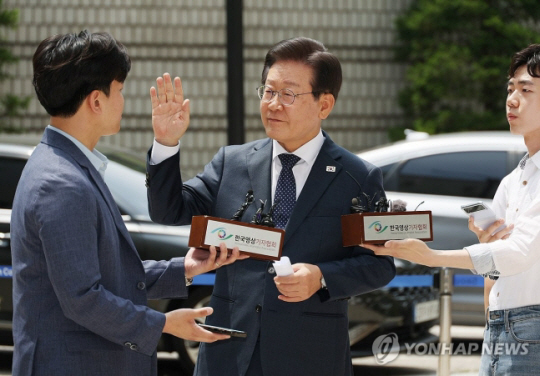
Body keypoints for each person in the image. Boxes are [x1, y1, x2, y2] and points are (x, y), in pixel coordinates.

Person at [146, 37, 396, 376]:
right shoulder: (232, 162)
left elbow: (379, 265)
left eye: (288, 94)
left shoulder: (357, 177)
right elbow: (169, 211)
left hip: (311, 356)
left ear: (325, 105)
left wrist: (322, 276)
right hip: (228, 351)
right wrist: (165, 142)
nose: (274, 104)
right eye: (268, 91)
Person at [10, 30, 246, 376]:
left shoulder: (64, 165)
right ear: (96, 100)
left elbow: (109, 276)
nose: (123, 100)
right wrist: (163, 323)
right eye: (119, 90)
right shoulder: (62, 182)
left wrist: (184, 268)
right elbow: (83, 298)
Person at [363, 44, 540, 375]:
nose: (512, 99)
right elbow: (499, 266)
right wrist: (488, 249)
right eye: (510, 88)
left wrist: (431, 257)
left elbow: (519, 253)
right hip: (504, 323)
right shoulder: (514, 179)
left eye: (525, 90)